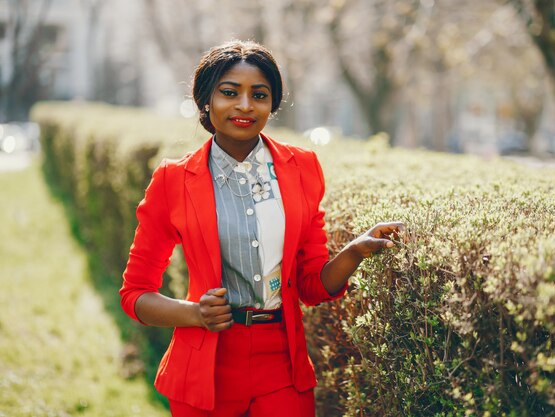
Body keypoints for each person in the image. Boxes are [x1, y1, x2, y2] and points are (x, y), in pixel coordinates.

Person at [119, 40, 403, 417]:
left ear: (273, 103)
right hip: (205, 366)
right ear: (206, 100)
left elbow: (311, 286)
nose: (244, 106)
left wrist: (354, 251)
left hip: (282, 364)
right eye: (229, 93)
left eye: (259, 94)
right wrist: (194, 313)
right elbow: (135, 294)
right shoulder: (174, 179)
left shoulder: (302, 168)